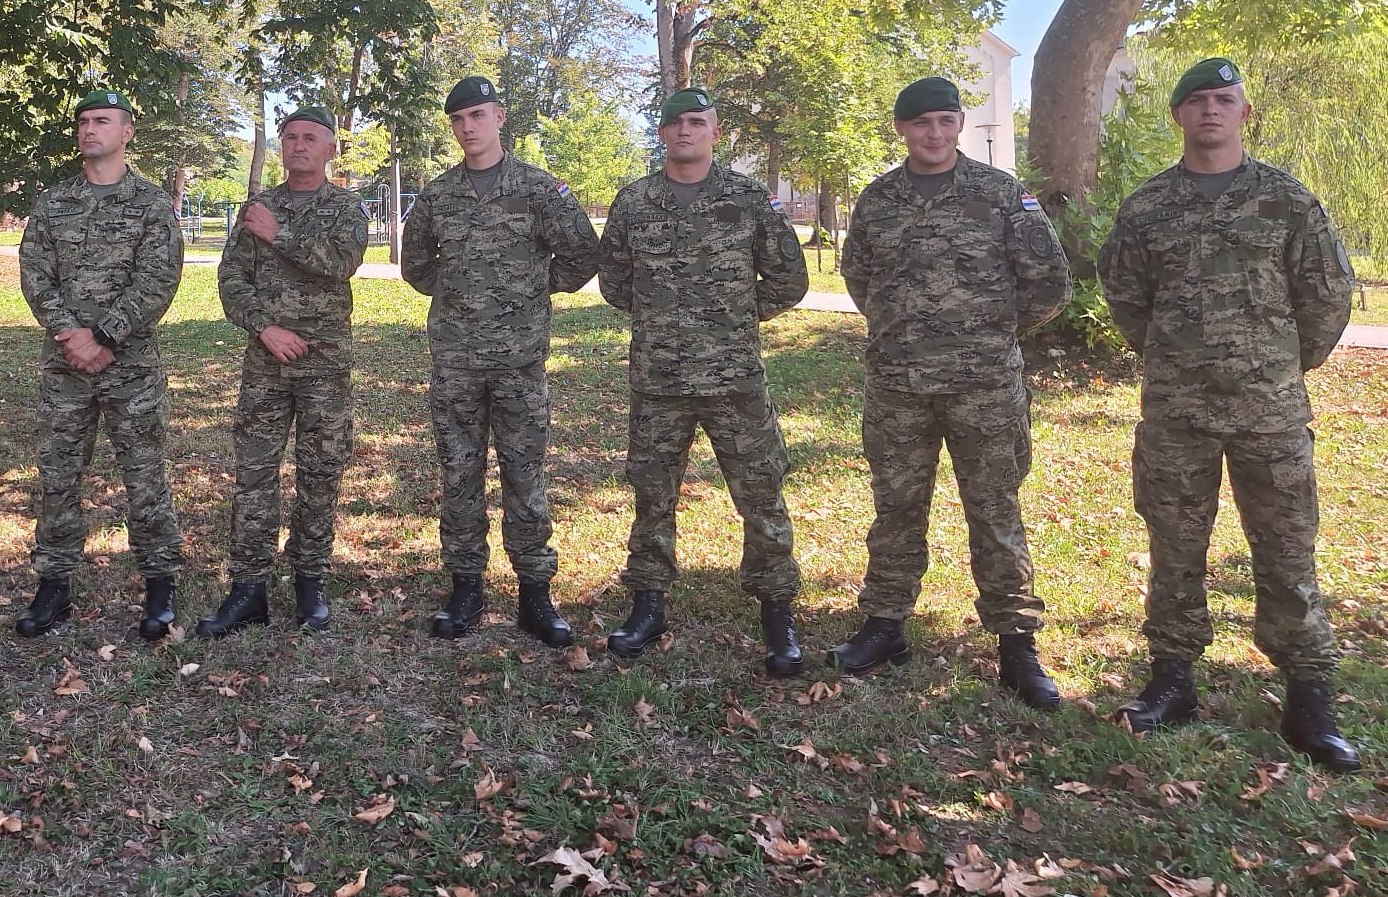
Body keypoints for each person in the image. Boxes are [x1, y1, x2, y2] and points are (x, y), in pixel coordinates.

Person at [1099, 57, 1359, 771]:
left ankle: (1308, 695)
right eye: (1196, 101)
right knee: (1175, 544)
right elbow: (1126, 296)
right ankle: (1172, 678)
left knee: (1286, 546)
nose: (1210, 110)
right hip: (1177, 410)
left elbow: (1327, 295)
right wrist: (1174, 356)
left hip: (1268, 410)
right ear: (1178, 116)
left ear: (1244, 112)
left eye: (1223, 98)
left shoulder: (1287, 201)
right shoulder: (1148, 207)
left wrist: (1278, 364)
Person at [832, 76, 1071, 708]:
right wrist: (904, 329)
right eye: (921, 123)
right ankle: (884, 624)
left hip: (983, 386)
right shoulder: (878, 200)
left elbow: (1049, 282)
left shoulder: (1000, 194)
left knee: (994, 511)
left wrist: (988, 333)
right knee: (896, 507)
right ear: (902, 129)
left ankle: (1016, 643)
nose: (934, 133)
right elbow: (860, 278)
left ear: (960, 123)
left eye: (945, 120)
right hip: (898, 385)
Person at [596, 88, 810, 670]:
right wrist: (667, 320)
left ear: (715, 131)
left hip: (734, 379)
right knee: (652, 493)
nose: (685, 131)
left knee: (760, 492)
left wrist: (732, 318)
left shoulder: (747, 198)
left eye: (697, 122)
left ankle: (777, 609)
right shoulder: (635, 202)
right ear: (662, 133)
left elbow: (788, 278)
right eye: (675, 123)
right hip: (658, 378)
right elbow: (614, 282)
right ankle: (648, 603)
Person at [399, 76, 601, 647]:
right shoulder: (438, 195)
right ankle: (465, 586)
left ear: (500, 117)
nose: (468, 127)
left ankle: (535, 591)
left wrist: (528, 290)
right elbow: (417, 265)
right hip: (457, 362)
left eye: (477, 115)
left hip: (519, 362)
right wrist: (462, 295)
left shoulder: (538, 188)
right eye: (458, 120)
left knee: (524, 473)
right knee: (459, 474)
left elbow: (583, 253)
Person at [16, 89, 186, 641]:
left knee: (145, 476)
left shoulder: (151, 204)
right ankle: (54, 583)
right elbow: (35, 274)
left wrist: (106, 335)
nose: (90, 129)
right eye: (84, 121)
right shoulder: (53, 203)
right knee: (58, 476)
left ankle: (159, 582)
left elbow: (159, 278)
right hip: (64, 366)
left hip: (130, 366)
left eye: (103, 121)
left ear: (127, 132)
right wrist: (71, 335)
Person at [201, 104, 369, 636]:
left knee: (320, 474)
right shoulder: (258, 207)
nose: (298, 145)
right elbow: (231, 280)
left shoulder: (345, 208)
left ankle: (309, 581)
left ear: (330, 148)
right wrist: (264, 328)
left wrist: (279, 234)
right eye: (291, 136)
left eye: (310, 138)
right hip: (265, 364)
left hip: (325, 366)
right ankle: (248, 587)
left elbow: (342, 263)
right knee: (253, 475)